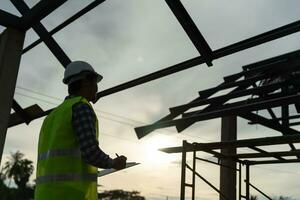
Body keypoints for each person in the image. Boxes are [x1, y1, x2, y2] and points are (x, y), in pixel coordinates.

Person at [35, 61, 127, 200]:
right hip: (70, 194)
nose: (96, 88)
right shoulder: (81, 107)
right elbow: (90, 152)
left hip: (45, 194)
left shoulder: (52, 116)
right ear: (85, 82)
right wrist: (113, 163)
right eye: (95, 83)